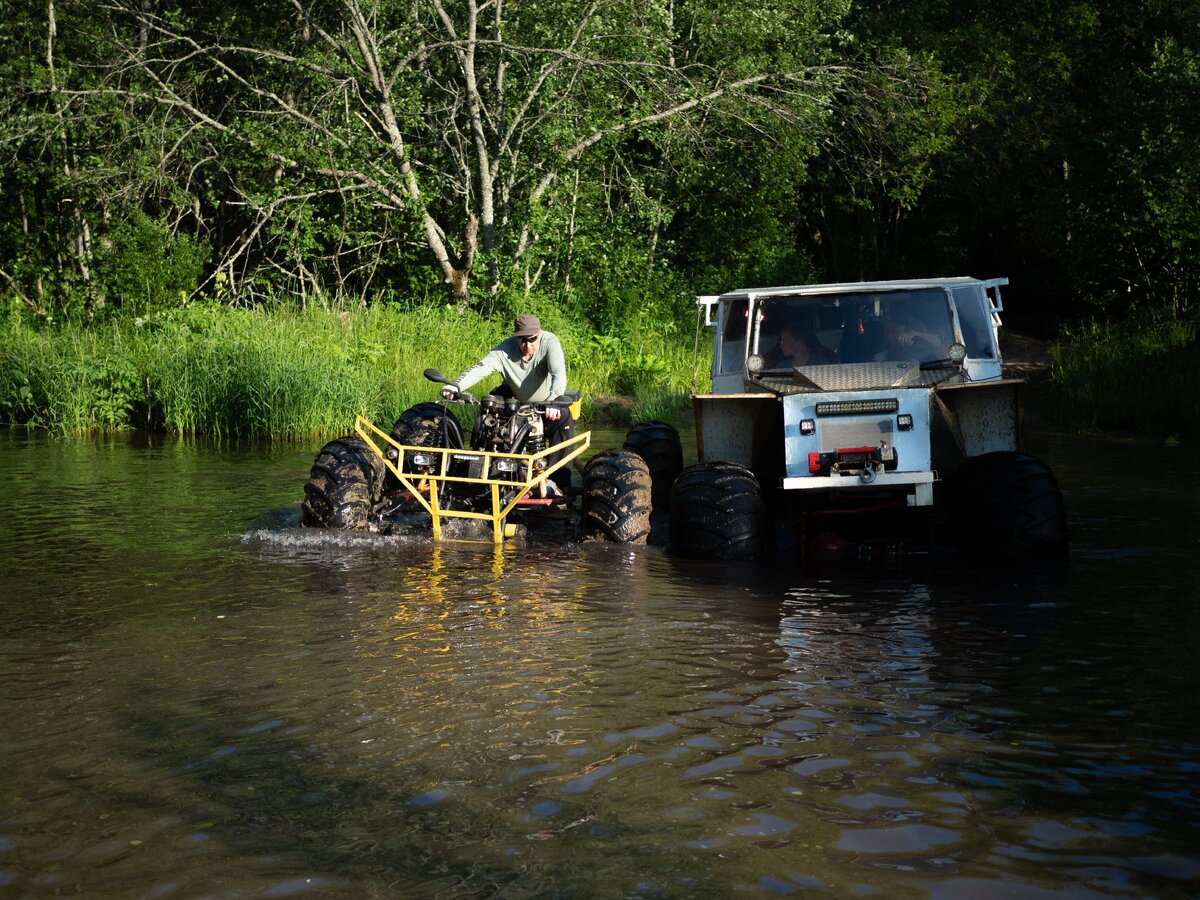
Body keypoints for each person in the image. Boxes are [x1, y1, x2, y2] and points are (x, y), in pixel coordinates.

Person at [441, 314, 576, 490]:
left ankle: (560, 484)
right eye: (522, 340)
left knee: (564, 419)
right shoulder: (504, 349)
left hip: (547, 400)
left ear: (539, 334)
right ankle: (475, 474)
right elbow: (480, 368)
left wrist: (553, 402)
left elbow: (559, 375)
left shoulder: (550, 342)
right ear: (515, 337)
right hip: (512, 396)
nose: (527, 345)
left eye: (532, 339)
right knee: (485, 412)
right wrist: (455, 387)